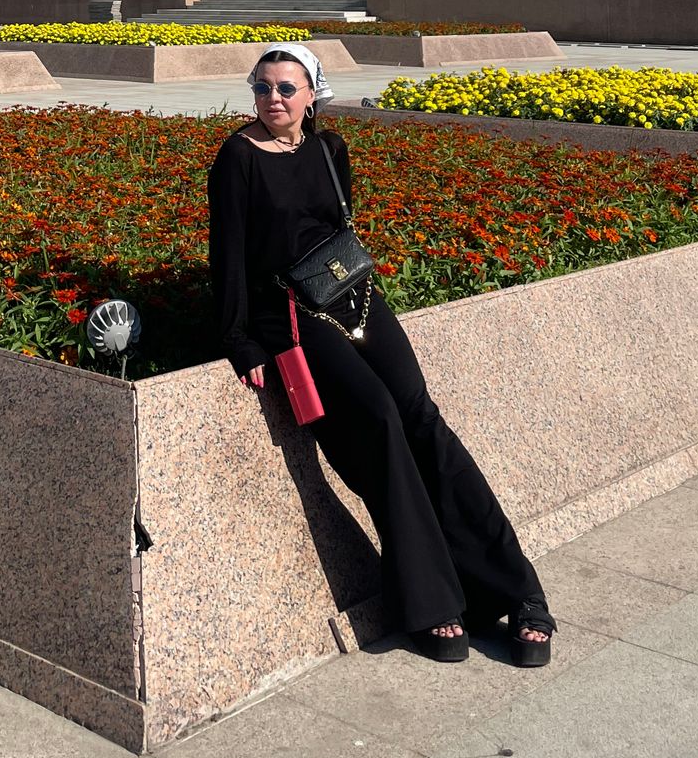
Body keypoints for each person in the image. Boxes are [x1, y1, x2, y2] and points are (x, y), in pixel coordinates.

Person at [207, 43, 555, 667]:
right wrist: (238, 339)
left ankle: (514, 587)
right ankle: (430, 601)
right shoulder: (237, 158)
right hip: (290, 312)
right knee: (379, 420)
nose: (273, 99)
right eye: (262, 87)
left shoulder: (329, 149)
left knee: (423, 418)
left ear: (312, 94)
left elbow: (338, 227)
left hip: (355, 294)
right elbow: (227, 254)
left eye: (286, 88)